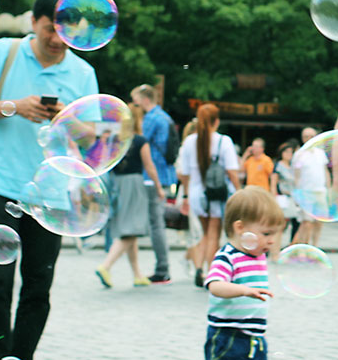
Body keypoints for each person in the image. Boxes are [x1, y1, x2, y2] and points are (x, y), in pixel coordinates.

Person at [0, 0, 100, 360]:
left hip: (51, 191)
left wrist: (66, 119)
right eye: (49, 30)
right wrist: (14, 106)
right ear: (34, 23)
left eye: (66, 32)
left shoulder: (82, 72)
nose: (57, 40)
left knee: (38, 285)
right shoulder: (3, 52)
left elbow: (90, 134)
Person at [177, 187, 305, 360]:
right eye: (266, 234)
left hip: (255, 341)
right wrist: (243, 290)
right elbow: (215, 285)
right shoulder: (227, 256)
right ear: (240, 228)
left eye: (274, 234)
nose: (271, 241)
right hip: (228, 339)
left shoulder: (256, 255)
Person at [95, 109, 166, 289]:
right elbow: (149, 167)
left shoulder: (115, 140)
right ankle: (106, 266)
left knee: (130, 230)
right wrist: (158, 187)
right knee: (131, 231)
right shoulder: (140, 141)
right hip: (134, 185)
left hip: (117, 185)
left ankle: (137, 275)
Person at [176, 104, 241, 288]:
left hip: (197, 193)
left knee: (203, 234)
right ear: (217, 121)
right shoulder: (223, 141)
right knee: (213, 234)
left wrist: (187, 196)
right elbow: (231, 172)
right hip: (217, 193)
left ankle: (198, 268)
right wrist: (240, 191)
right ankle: (210, 272)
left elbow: (185, 173)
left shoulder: (190, 141)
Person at [132, 84, 175, 284]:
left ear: (145, 100)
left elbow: (138, 140)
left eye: (136, 101)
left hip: (152, 176)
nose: (134, 105)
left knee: (156, 224)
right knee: (156, 222)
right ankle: (162, 267)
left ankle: (162, 269)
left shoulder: (150, 119)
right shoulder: (165, 117)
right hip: (164, 175)